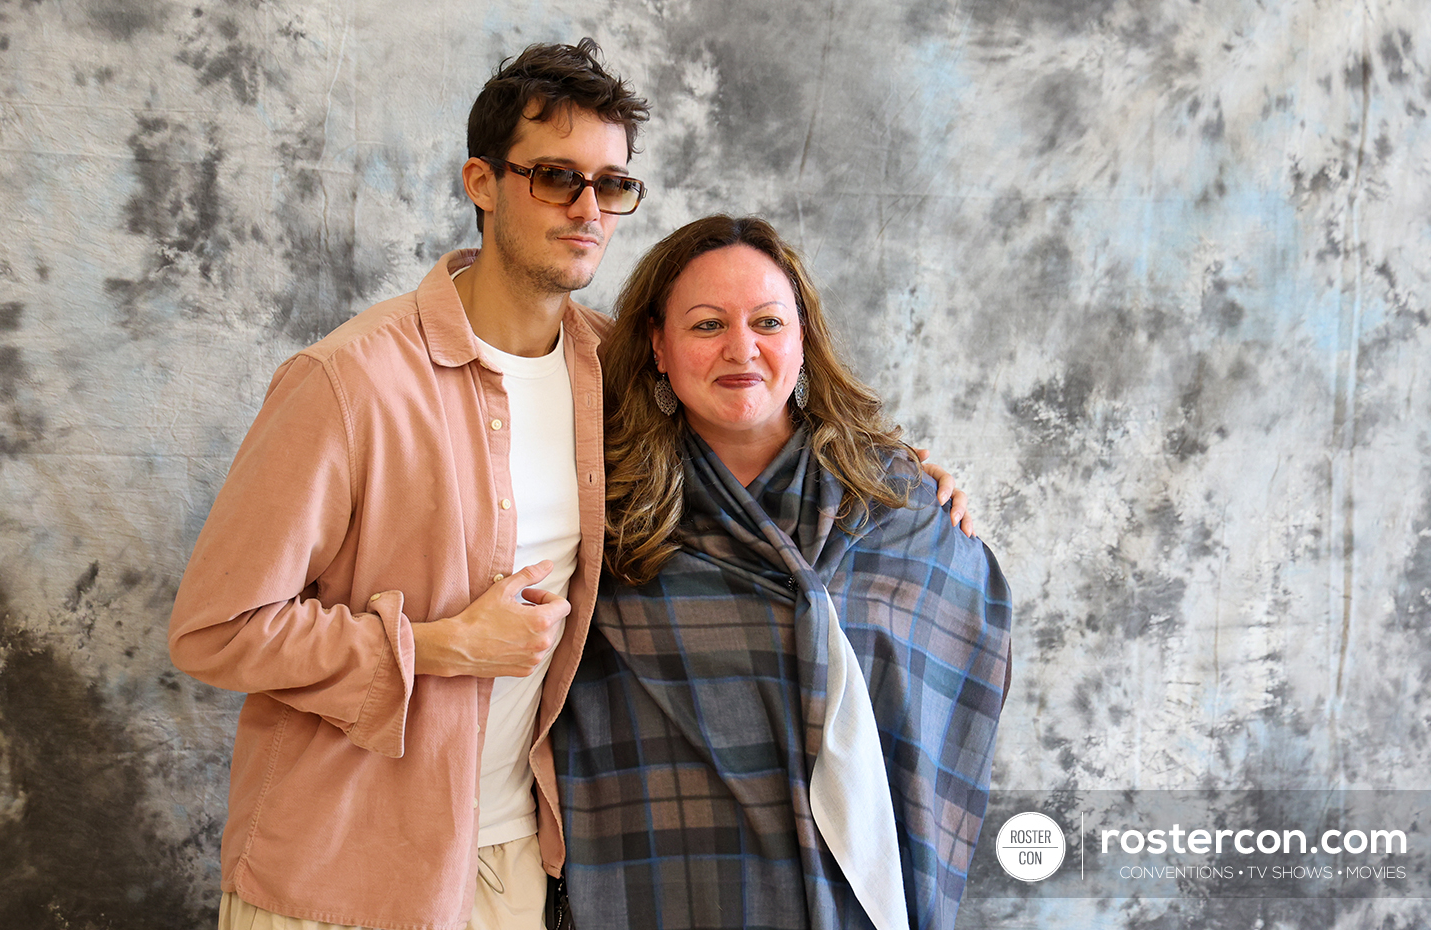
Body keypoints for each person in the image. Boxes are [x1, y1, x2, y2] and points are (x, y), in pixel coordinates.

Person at [168, 41, 969, 930]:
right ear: (482, 182)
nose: (589, 208)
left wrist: (910, 485)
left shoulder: (615, 372)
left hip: (523, 863)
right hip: (341, 867)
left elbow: (753, 420)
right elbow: (216, 632)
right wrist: (442, 646)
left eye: (612, 184)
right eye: (556, 177)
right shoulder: (350, 383)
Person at [553, 215, 1012, 930]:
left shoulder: (898, 504)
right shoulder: (604, 513)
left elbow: (951, 688)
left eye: (767, 321)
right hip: (674, 888)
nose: (742, 349)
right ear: (657, 345)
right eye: (707, 326)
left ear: (802, 338)